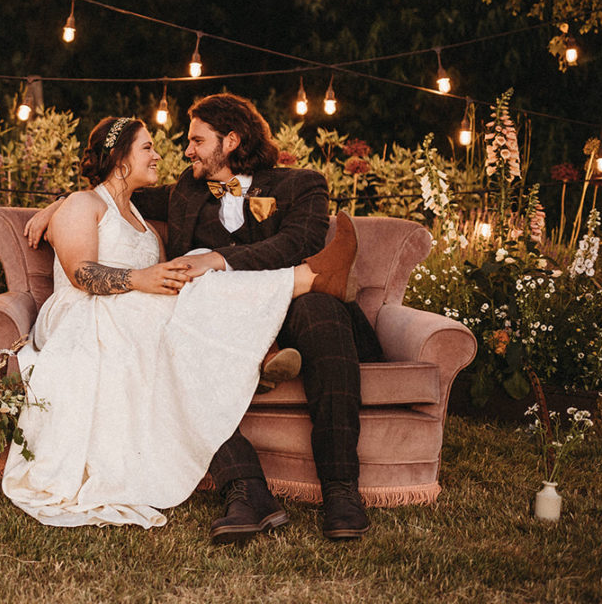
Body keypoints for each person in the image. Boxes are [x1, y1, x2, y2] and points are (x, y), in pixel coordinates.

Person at [22, 94, 378, 542]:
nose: (184, 151)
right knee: (186, 311)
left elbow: (299, 242)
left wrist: (215, 258)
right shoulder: (187, 192)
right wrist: (57, 205)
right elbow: (110, 196)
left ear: (230, 140)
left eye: (196, 140)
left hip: (292, 307)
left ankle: (342, 491)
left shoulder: (301, 184)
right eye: (159, 145)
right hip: (215, 317)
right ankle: (248, 460)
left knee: (322, 315)